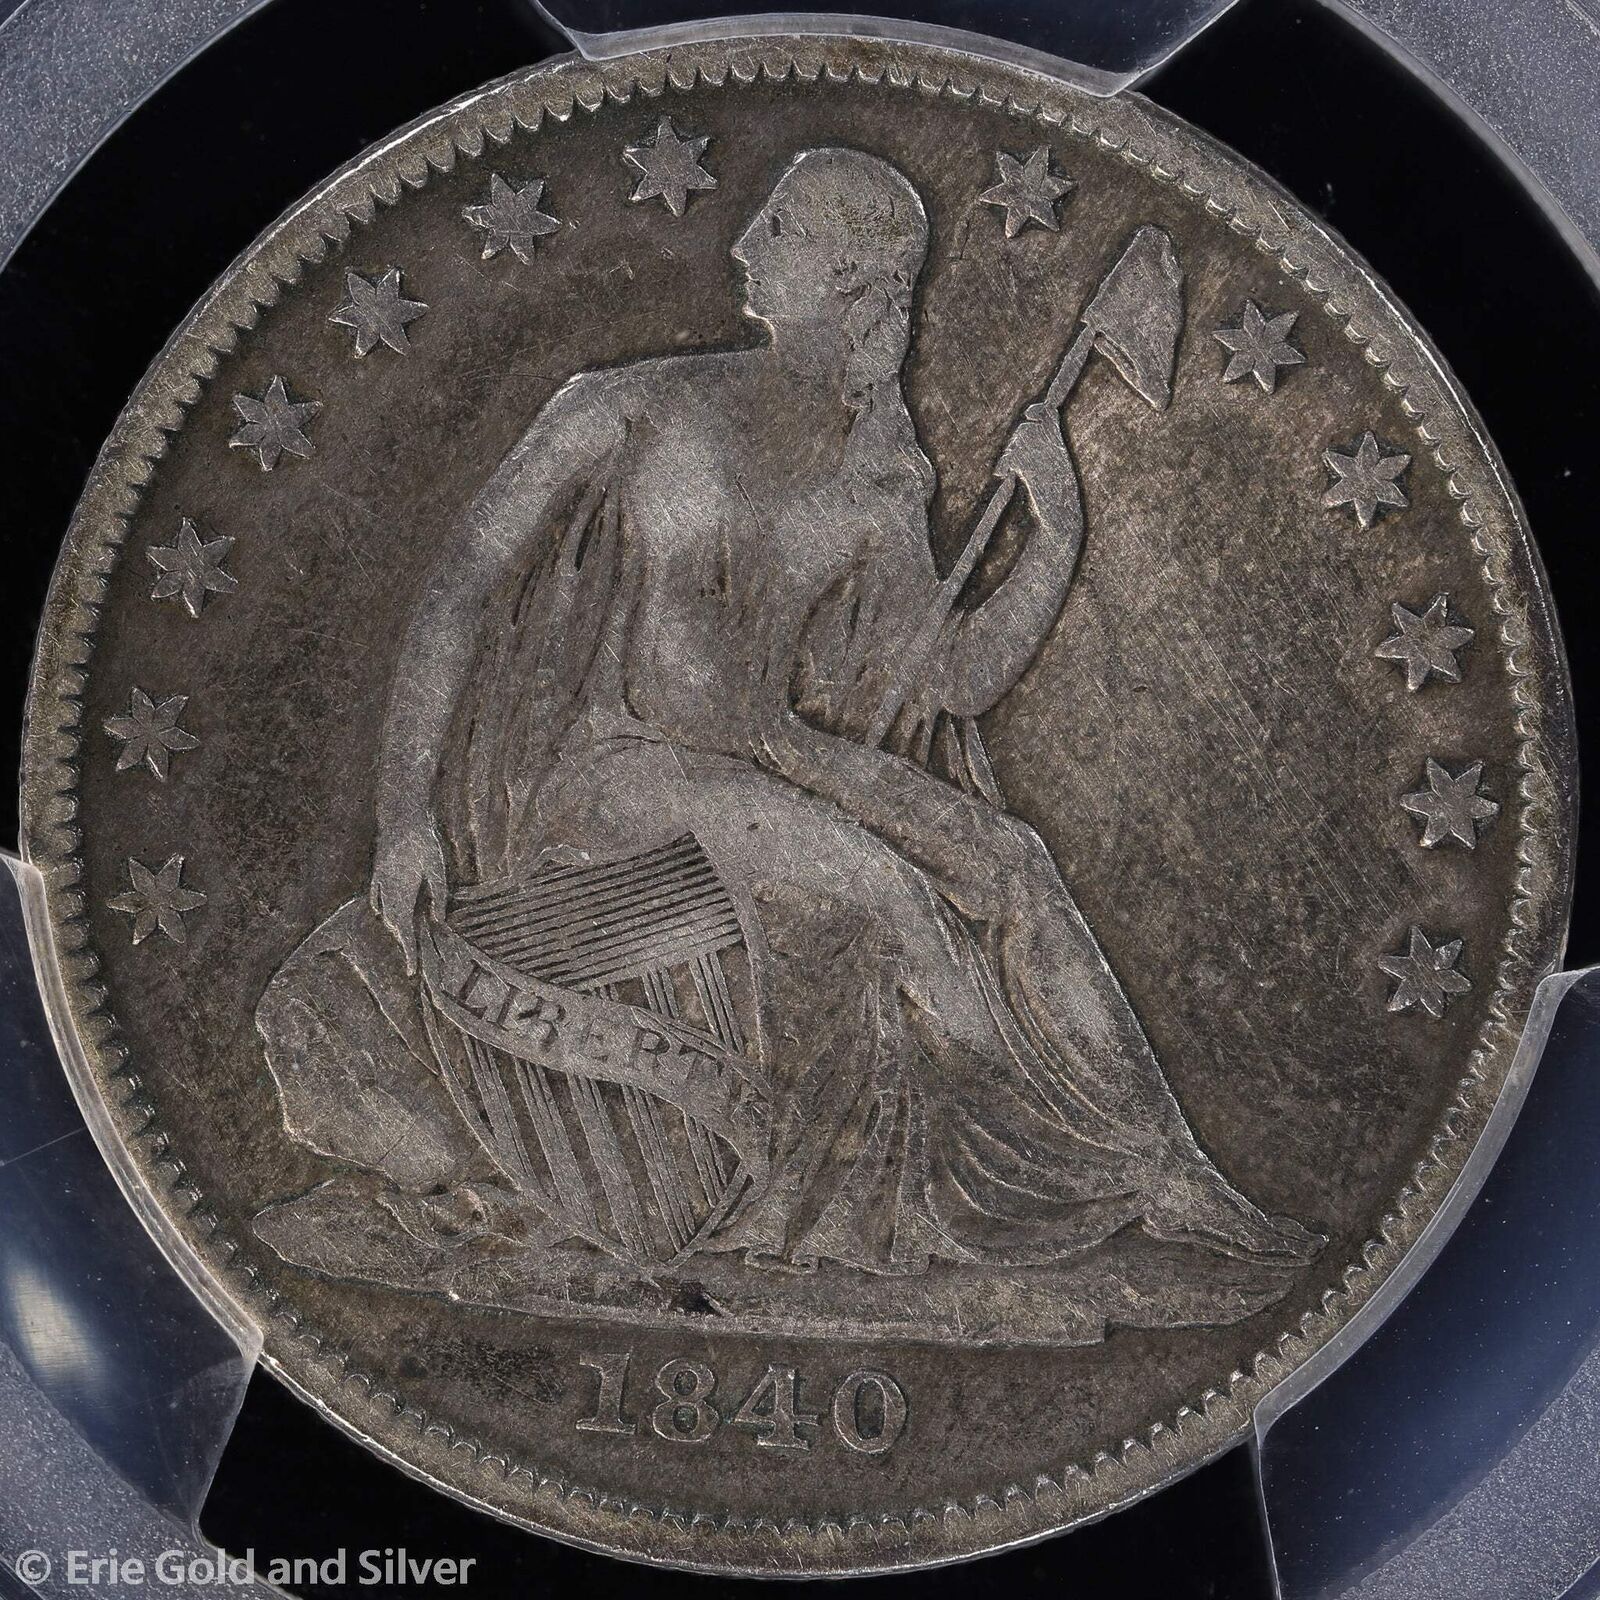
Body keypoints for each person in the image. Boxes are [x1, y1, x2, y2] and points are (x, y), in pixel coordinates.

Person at [259, 147, 1320, 1285]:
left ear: (851, 286)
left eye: (776, 231)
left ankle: (1158, 1172)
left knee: (1010, 859)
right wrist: (405, 816)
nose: (742, 246)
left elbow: (951, 677)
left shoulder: (882, 472)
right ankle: (978, 1193)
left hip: (772, 753)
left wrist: (1054, 535)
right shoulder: (626, 410)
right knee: (884, 895)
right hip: (619, 766)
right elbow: (464, 587)